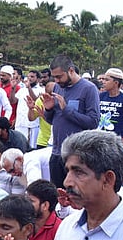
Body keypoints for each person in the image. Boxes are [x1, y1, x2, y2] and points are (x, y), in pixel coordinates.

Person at [42, 55, 100, 187]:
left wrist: (67, 109)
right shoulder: (58, 87)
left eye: (59, 76)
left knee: (75, 198)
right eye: (54, 77)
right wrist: (49, 109)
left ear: (71, 70)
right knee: (58, 196)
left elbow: (93, 122)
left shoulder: (88, 89)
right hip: (57, 152)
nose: (56, 81)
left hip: (77, 155)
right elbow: (53, 121)